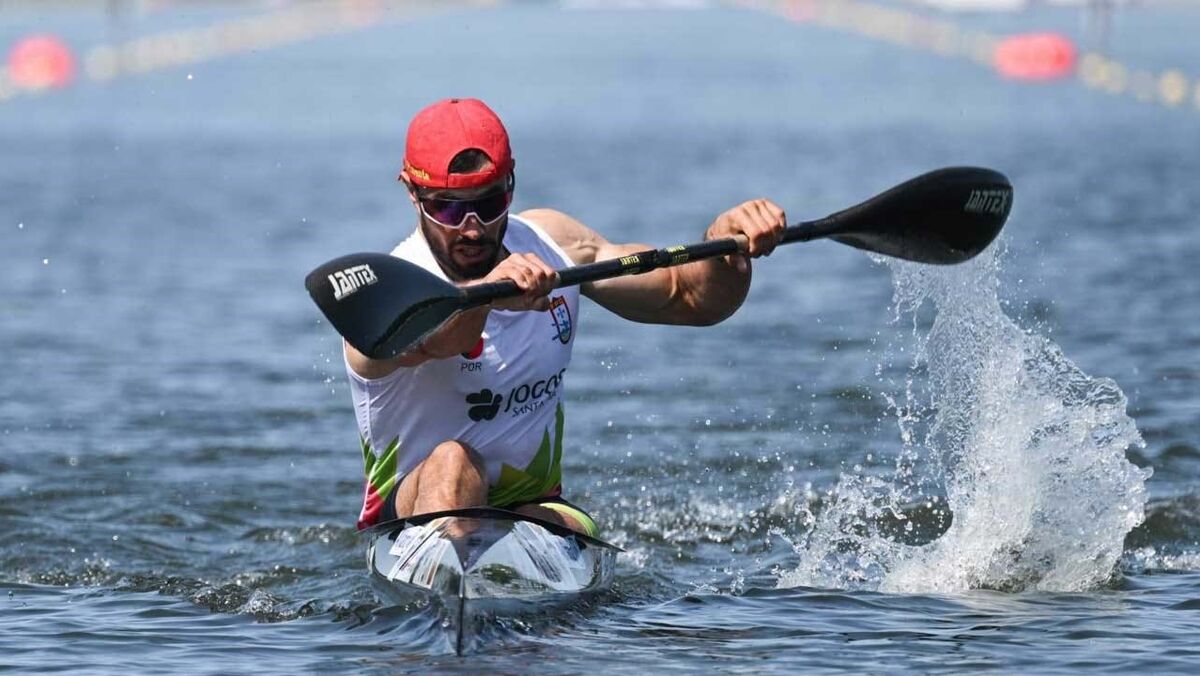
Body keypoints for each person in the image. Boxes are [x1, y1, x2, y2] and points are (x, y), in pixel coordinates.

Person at [345, 98, 786, 536]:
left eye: (490, 201)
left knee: (575, 528)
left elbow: (689, 297)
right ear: (412, 193)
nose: (473, 228)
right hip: (411, 514)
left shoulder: (555, 244)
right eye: (449, 208)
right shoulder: (386, 292)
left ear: (511, 184)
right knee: (452, 462)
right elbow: (437, 342)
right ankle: (451, 560)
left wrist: (725, 247)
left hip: (534, 508)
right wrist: (486, 297)